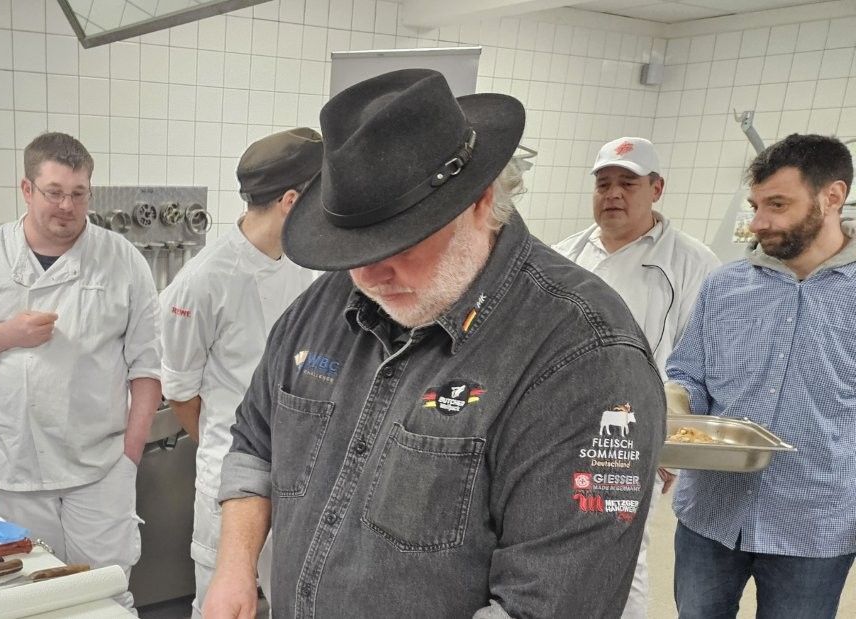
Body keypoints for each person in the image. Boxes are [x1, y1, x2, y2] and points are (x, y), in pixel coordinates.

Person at [201, 69, 665, 618]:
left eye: (401, 240)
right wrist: (235, 569)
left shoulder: (585, 358)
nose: (370, 274)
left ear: (480, 200)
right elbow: (255, 442)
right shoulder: (325, 303)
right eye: (353, 247)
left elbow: (545, 606)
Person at [0, 132, 160, 610]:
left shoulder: (122, 260)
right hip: (19, 467)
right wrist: (6, 334)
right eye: (54, 192)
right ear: (27, 190)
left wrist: (129, 457)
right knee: (30, 597)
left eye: (79, 194)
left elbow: (147, 368)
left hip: (99, 470)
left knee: (108, 597)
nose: (67, 206)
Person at [666, 133, 856, 619]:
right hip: (711, 513)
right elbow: (688, 372)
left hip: (814, 525)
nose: (757, 222)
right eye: (755, 204)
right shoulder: (726, 286)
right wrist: (675, 403)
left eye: (777, 204)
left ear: (833, 196)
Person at [554, 136, 720, 618]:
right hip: (559, 428)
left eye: (628, 183)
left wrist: (672, 444)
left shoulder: (692, 263)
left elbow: (701, 360)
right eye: (603, 183)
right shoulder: (566, 254)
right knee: (551, 545)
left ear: (657, 188)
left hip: (630, 433)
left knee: (622, 553)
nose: (613, 194)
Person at [160, 127, 321, 617]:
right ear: (292, 201)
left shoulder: (308, 266)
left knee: (293, 598)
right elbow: (181, 394)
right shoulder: (203, 281)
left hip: (298, 473)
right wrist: (234, 451)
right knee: (224, 604)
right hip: (229, 484)